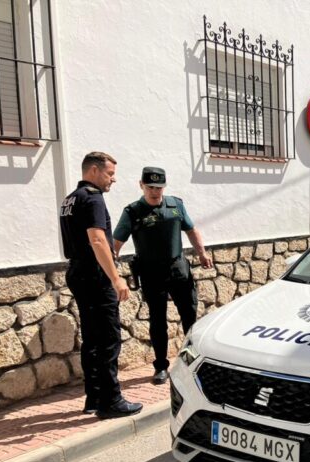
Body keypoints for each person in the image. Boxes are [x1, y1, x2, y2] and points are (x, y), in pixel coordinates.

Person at [59, 152, 143, 419]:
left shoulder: (70, 199)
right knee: (107, 338)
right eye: (110, 174)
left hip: (77, 271)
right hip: (94, 274)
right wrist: (115, 278)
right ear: (94, 171)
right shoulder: (93, 198)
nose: (113, 179)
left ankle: (94, 397)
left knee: (92, 338)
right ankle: (111, 401)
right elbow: (97, 240)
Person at [113, 167, 213, 384]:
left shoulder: (176, 205)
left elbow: (191, 229)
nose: (155, 191)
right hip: (151, 273)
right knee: (158, 321)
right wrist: (111, 268)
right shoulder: (132, 211)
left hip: (178, 269)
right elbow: (116, 243)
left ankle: (191, 360)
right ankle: (160, 367)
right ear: (141, 185)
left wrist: (202, 253)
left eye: (159, 187)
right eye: (150, 187)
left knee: (189, 315)